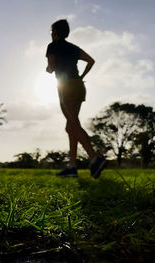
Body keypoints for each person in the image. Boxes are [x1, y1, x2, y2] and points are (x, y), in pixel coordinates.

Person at [45, 19, 106, 178]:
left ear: (56, 32)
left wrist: (48, 68)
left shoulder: (52, 46)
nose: (51, 34)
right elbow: (91, 61)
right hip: (79, 86)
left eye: (52, 31)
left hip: (66, 87)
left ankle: (94, 158)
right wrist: (82, 76)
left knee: (72, 124)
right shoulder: (73, 48)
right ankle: (72, 167)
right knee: (71, 125)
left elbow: (51, 68)